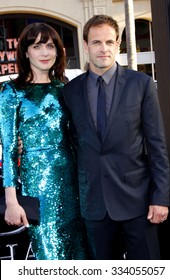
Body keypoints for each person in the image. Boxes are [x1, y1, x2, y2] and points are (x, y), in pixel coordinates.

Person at [63, 14, 170, 260]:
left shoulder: (141, 84)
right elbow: (72, 144)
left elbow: (157, 146)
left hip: (138, 203)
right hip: (94, 206)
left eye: (109, 42)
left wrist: (160, 198)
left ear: (118, 45)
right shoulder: (70, 91)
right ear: (86, 46)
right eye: (97, 42)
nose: (104, 48)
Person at [0, 22, 88, 260]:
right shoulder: (11, 92)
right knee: (49, 257)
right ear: (26, 52)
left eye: (50, 46)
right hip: (37, 189)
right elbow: (8, 150)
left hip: (74, 186)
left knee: (79, 254)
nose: (45, 52)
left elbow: (78, 138)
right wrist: (11, 201)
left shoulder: (66, 88)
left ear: (58, 51)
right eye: (37, 46)